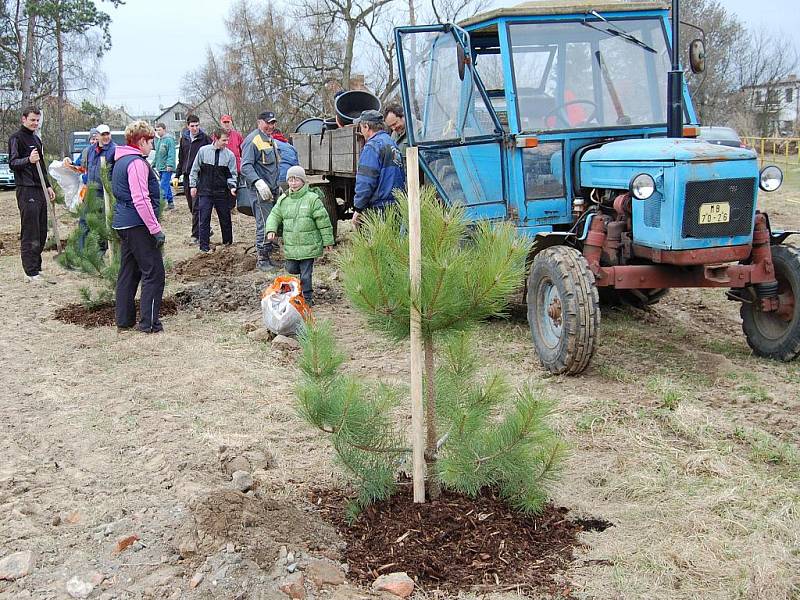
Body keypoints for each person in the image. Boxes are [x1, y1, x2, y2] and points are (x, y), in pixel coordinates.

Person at [111, 120, 166, 333]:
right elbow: (140, 199)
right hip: (137, 224)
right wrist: (155, 229)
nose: (152, 146)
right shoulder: (135, 163)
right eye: (150, 142)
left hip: (123, 223)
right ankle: (149, 323)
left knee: (129, 271)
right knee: (154, 273)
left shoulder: (120, 160)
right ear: (142, 141)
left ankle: (124, 320)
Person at [266, 166, 333, 306]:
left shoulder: (312, 199)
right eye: (290, 180)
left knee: (306, 274)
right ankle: (295, 291)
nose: (293, 183)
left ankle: (307, 298)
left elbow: (323, 221)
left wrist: (328, 241)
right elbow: (274, 215)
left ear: (303, 181)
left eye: (296, 180)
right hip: (291, 244)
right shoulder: (284, 200)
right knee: (291, 269)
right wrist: (271, 229)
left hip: (308, 245)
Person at [8, 105, 56, 283]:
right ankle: (30, 271)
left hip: (40, 189)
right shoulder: (16, 138)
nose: (35, 123)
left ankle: (37, 267)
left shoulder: (36, 140)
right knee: (31, 230)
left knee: (42, 229)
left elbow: (41, 166)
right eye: (32, 120)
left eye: (37, 120)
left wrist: (49, 186)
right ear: (24, 119)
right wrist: (28, 160)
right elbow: (13, 162)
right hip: (26, 188)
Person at [241, 110, 281, 272]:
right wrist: (258, 182)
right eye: (268, 123)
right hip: (260, 190)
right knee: (264, 223)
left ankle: (269, 256)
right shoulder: (253, 140)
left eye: (272, 123)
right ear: (259, 122)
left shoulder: (270, 140)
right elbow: (245, 166)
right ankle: (262, 259)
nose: (271, 126)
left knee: (273, 222)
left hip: (272, 188)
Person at [351, 109, 405, 225]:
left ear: (366, 127)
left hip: (379, 209)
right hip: (396, 205)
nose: (361, 131)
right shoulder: (392, 143)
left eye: (361, 127)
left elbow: (366, 181)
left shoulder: (372, 147)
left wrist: (358, 208)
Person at [189, 128, 237, 253]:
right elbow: (195, 169)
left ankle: (227, 244)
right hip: (205, 191)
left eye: (227, 140)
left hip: (221, 192)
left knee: (225, 218)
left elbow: (232, 174)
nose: (226, 143)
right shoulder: (203, 151)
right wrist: (193, 185)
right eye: (224, 140)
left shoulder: (229, 155)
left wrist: (232, 187)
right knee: (204, 218)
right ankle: (203, 246)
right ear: (216, 138)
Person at [79, 123, 116, 252]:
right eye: (103, 134)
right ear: (97, 136)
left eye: (108, 134)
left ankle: (100, 252)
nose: (106, 137)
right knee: (84, 221)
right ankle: (82, 252)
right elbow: (86, 168)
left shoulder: (113, 150)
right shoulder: (90, 150)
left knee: (101, 223)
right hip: (90, 191)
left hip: (104, 192)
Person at [176, 114, 212, 242]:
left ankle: (196, 235)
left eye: (197, 125)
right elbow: (181, 158)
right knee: (191, 206)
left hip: (200, 176)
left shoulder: (205, 139)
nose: (195, 128)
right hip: (186, 176)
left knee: (197, 206)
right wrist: (177, 174)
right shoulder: (184, 139)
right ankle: (205, 227)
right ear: (188, 126)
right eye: (192, 126)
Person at [153, 123, 176, 209]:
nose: (158, 132)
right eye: (157, 130)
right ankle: (170, 203)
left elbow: (171, 153)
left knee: (163, 186)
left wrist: (170, 164)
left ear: (164, 129)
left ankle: (160, 205)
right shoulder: (159, 140)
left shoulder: (169, 140)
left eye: (160, 130)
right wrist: (153, 164)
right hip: (160, 167)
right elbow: (157, 154)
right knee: (166, 185)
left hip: (167, 167)